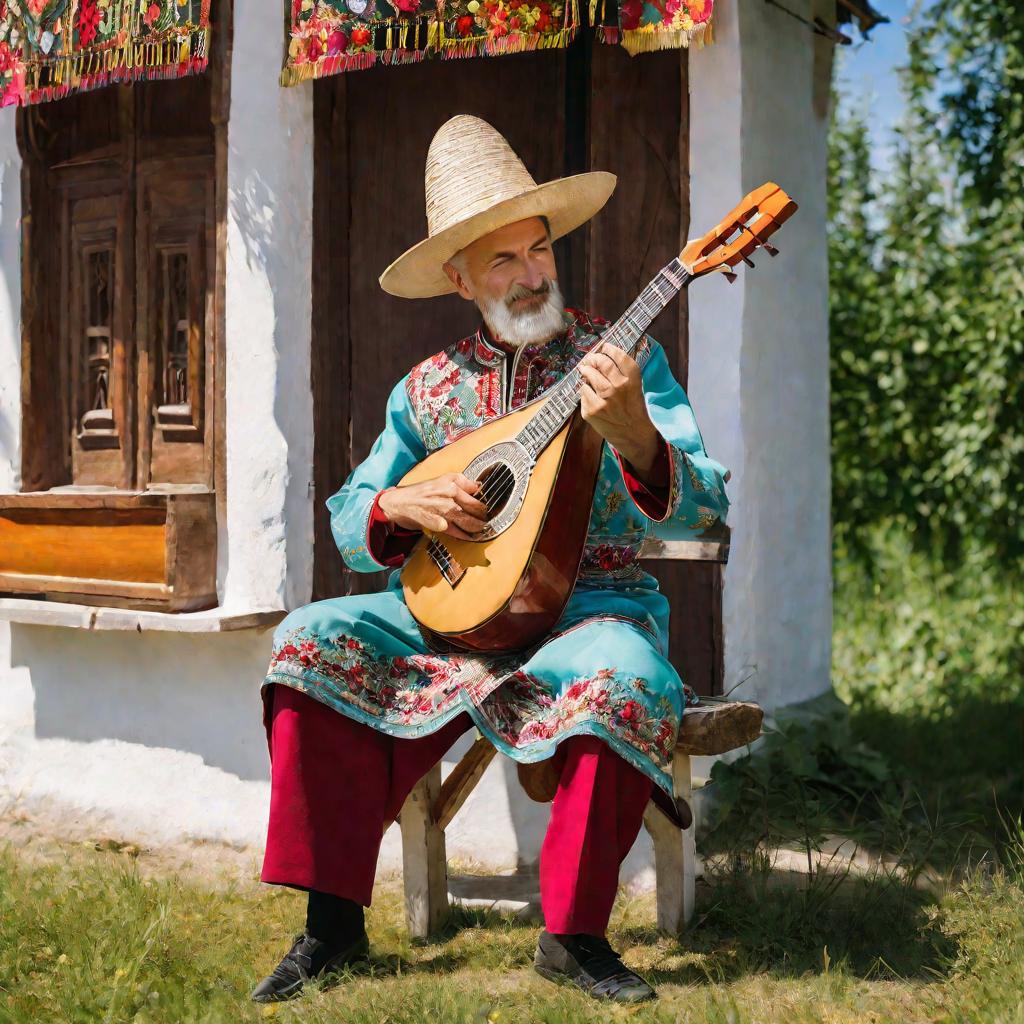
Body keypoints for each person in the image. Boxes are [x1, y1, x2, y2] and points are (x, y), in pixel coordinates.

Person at [252, 114, 730, 1005]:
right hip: (447, 614)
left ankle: (575, 936)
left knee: (624, 675)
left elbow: (705, 495)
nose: (530, 274)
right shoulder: (426, 390)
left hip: (590, 608)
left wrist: (635, 434)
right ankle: (331, 925)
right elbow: (352, 518)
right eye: (502, 260)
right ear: (460, 277)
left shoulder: (621, 361)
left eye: (539, 249)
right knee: (308, 640)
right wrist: (400, 505)